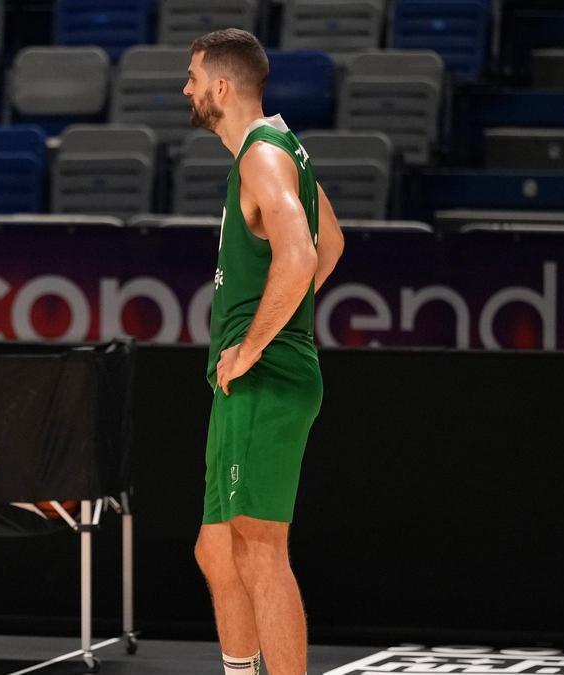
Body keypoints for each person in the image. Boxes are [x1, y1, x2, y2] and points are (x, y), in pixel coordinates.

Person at [182, 28, 346, 675]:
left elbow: (303, 254)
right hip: (263, 374)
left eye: (193, 78)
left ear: (222, 86)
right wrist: (284, 319)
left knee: (258, 548)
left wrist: (256, 343)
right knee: (217, 551)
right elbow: (329, 244)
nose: (187, 90)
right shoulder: (283, 147)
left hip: (265, 376)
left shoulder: (263, 154)